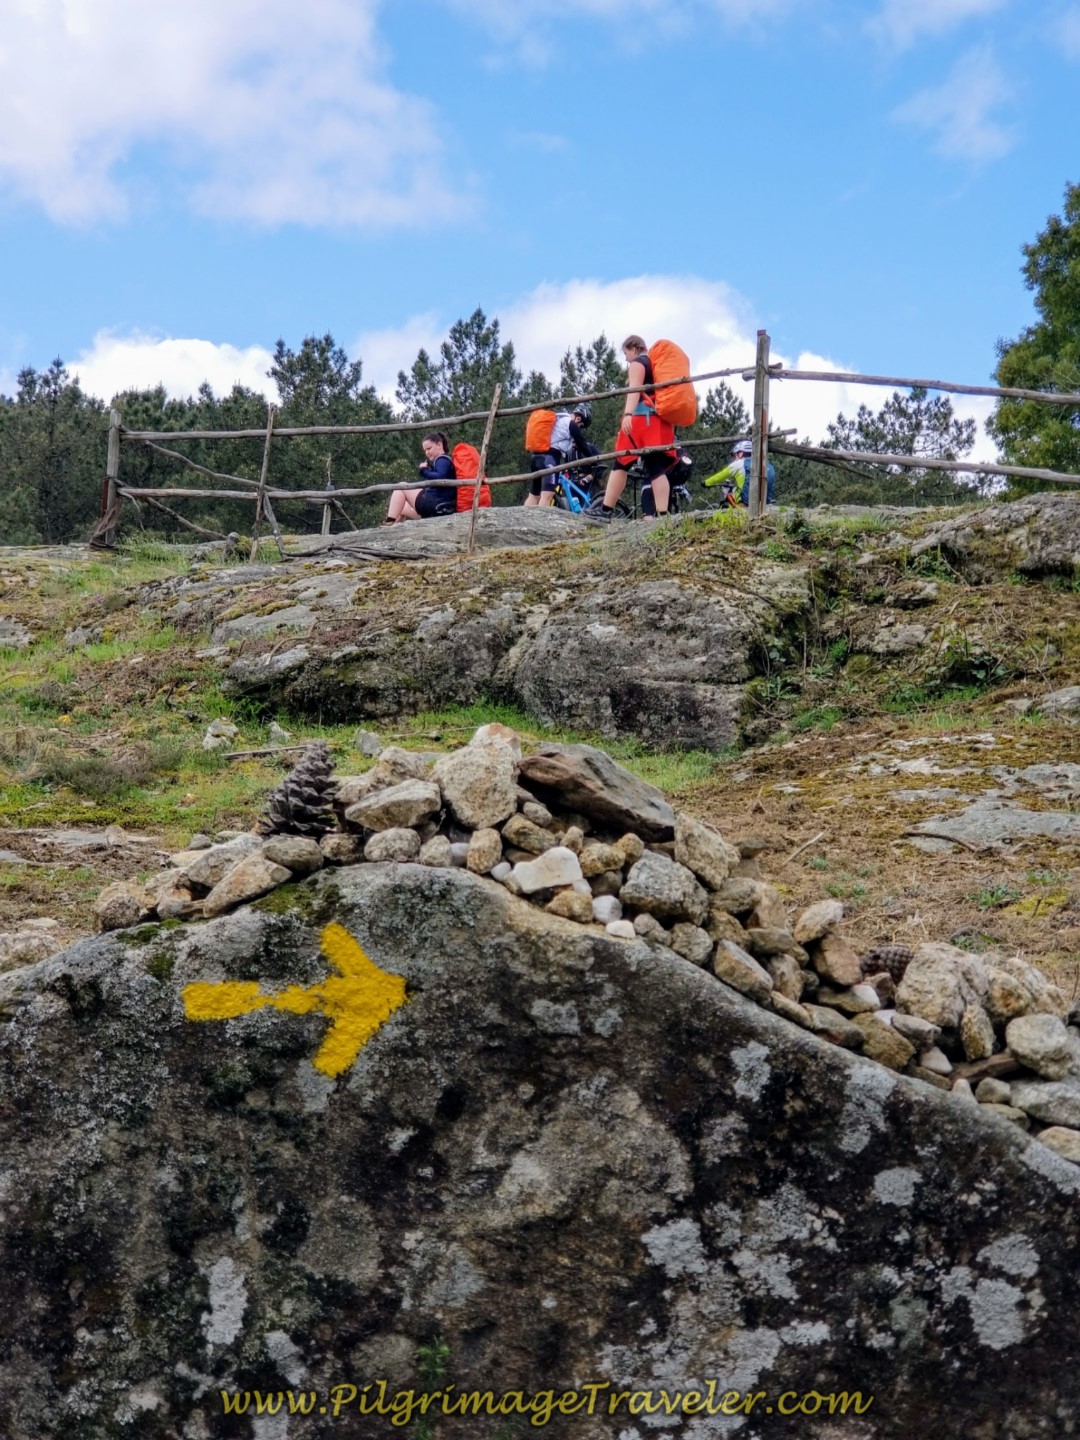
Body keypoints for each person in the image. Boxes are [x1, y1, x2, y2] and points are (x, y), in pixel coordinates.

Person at [587, 336, 677, 521]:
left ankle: (605, 511)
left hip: (641, 421)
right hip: (659, 422)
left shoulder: (638, 363)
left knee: (621, 463)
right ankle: (662, 517)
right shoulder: (655, 364)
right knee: (656, 468)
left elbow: (634, 390)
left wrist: (627, 414)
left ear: (634, 348)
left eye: (626, 353)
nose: (626, 358)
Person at [525, 403, 599, 507]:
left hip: (536, 457)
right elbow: (583, 445)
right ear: (578, 419)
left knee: (533, 495)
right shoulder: (570, 423)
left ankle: (525, 522)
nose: (579, 428)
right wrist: (594, 462)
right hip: (549, 459)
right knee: (547, 496)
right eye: (581, 426)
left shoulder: (558, 418)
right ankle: (541, 522)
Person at [384, 433, 458, 523]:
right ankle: (393, 528)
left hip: (435, 505)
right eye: (425, 450)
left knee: (401, 487)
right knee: (402, 507)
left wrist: (424, 470)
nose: (427, 452)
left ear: (439, 444)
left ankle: (388, 523)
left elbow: (440, 477)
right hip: (442, 509)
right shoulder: (447, 459)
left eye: (429, 448)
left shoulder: (442, 460)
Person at [703, 439, 776, 507]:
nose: (735, 458)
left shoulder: (739, 463)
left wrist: (706, 483)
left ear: (741, 453)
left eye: (735, 455)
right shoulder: (766, 465)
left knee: (732, 496)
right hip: (764, 504)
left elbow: (720, 476)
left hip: (745, 503)